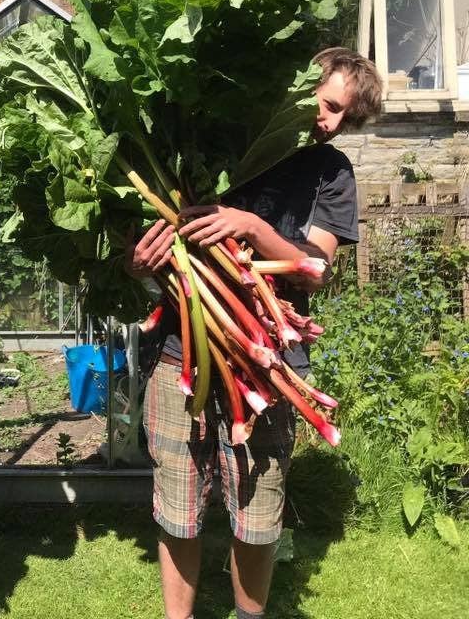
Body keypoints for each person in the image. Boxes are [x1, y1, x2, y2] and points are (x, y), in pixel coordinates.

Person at [126, 47, 382, 619]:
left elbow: (313, 270)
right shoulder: (223, 140)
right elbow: (159, 242)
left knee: (259, 511)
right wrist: (139, 261)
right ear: (300, 86)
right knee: (177, 505)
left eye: (343, 115)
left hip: (270, 362)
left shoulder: (331, 174)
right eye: (325, 103)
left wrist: (253, 227)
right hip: (179, 355)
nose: (329, 121)